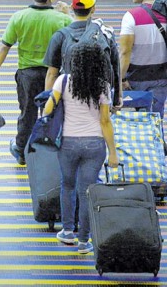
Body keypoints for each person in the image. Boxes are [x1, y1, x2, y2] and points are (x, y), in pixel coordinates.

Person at [46, 41, 119, 254]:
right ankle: (83, 241)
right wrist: (112, 152)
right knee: (86, 191)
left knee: (67, 185)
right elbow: (105, 121)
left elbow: (48, 110)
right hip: (94, 144)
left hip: (68, 142)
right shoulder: (103, 86)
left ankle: (67, 231)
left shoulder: (63, 80)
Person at [0, 0, 72, 165]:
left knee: (27, 112)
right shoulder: (62, 19)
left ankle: (21, 151)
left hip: (26, 74)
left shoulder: (19, 17)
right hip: (53, 74)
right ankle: (50, 149)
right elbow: (76, 35)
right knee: (51, 111)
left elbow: (4, 47)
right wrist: (68, 14)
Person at [43, 0, 122, 108]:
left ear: (71, 7)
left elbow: (51, 74)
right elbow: (115, 68)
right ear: (93, 8)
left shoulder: (60, 36)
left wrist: (48, 104)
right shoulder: (105, 34)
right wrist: (117, 98)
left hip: (70, 100)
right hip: (100, 100)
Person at [119, 0, 167, 118]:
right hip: (161, 79)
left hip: (135, 80)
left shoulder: (131, 16)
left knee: (133, 121)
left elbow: (125, 52)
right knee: (155, 118)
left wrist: (120, 79)